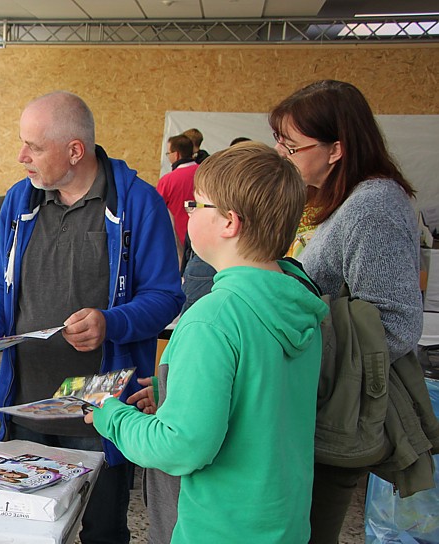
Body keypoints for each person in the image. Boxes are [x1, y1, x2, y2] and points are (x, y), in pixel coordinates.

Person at [0, 90, 184, 544]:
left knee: (101, 531)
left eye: (34, 147)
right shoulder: (21, 201)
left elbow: (165, 297)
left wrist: (110, 323)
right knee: (18, 529)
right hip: (23, 407)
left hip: (98, 414)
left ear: (74, 151)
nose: (21, 156)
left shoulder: (139, 204)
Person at [87, 141, 328, 543]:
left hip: (219, 529)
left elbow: (181, 448)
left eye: (197, 205)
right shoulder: (298, 299)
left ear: (229, 223)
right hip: (283, 523)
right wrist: (173, 392)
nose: (189, 213)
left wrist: (110, 416)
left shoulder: (211, 318)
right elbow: (261, 399)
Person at [270, 79, 438, 544]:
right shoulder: (347, 199)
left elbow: (395, 324)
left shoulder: (374, 205)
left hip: (335, 413)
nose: (283, 155)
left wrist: (296, 335)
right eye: (279, 142)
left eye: (292, 145)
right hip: (319, 402)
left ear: (336, 149)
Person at [157, 134, 198, 249]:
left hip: (178, 242)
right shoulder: (206, 173)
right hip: (204, 237)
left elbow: (156, 211)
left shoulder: (167, 180)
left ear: (176, 154)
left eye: (168, 153)